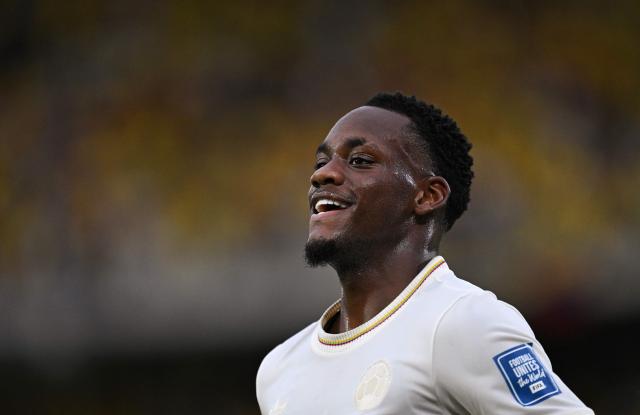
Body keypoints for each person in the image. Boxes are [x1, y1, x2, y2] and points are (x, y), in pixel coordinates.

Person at [256, 92, 594, 414]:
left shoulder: (462, 324)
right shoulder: (279, 368)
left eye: (359, 161)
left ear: (427, 196)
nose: (321, 174)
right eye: (321, 161)